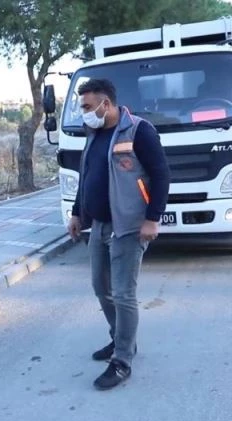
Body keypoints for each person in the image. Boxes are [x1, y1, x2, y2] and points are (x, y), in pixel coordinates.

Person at [67, 78, 171, 390]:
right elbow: (88, 175)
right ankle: (120, 339)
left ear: (106, 104)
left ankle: (123, 359)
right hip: (98, 224)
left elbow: (162, 173)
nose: (84, 112)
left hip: (128, 225)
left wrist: (152, 219)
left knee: (124, 293)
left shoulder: (139, 130)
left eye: (87, 106)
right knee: (101, 287)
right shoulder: (95, 132)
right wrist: (76, 211)